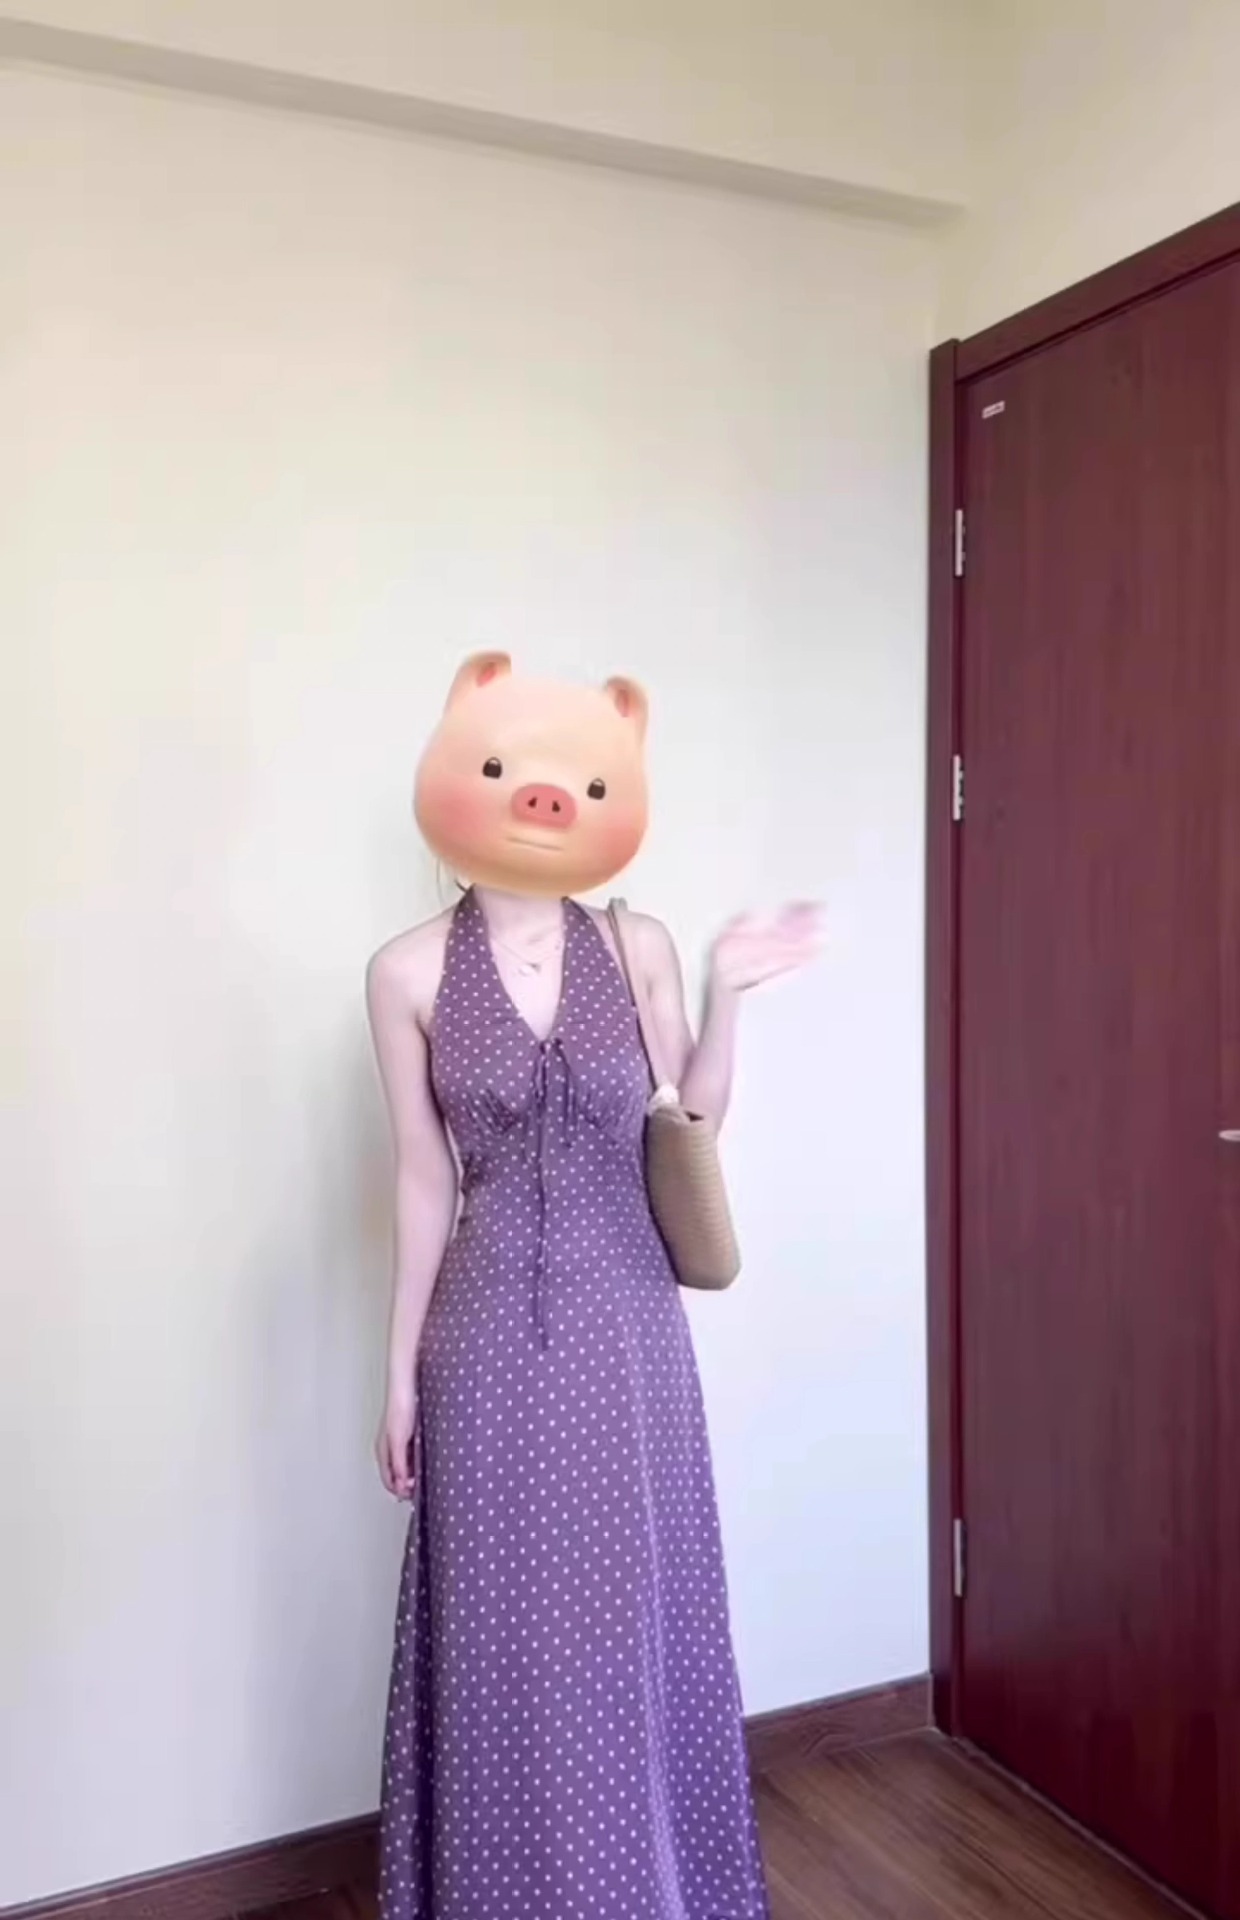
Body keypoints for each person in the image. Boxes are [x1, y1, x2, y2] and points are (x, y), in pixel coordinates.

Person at [366, 654, 818, 1919]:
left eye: (576, 775)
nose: (543, 794)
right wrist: (396, 1375)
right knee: (504, 1627)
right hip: (483, 1339)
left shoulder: (636, 943)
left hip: (631, 1329)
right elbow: (422, 1180)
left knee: (629, 1615)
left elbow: (690, 1122)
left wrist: (728, 991)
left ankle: (647, 1887)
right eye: (506, 766)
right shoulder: (403, 973)